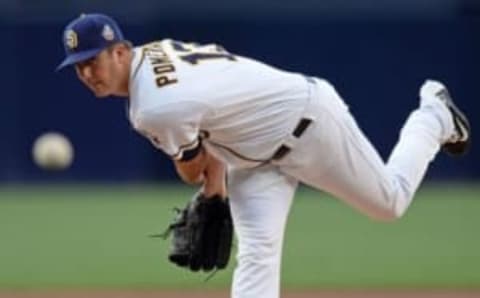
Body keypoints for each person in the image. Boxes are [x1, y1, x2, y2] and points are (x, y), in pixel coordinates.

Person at [58, 13, 471, 298]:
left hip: (308, 125)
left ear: (119, 51)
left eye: (92, 61)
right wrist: (216, 191)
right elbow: (209, 119)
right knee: (257, 256)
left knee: (389, 202)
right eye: (78, 68)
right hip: (251, 156)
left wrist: (209, 191)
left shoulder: (153, 108)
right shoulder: (153, 53)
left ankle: (433, 114)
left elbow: (191, 170)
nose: (88, 74)